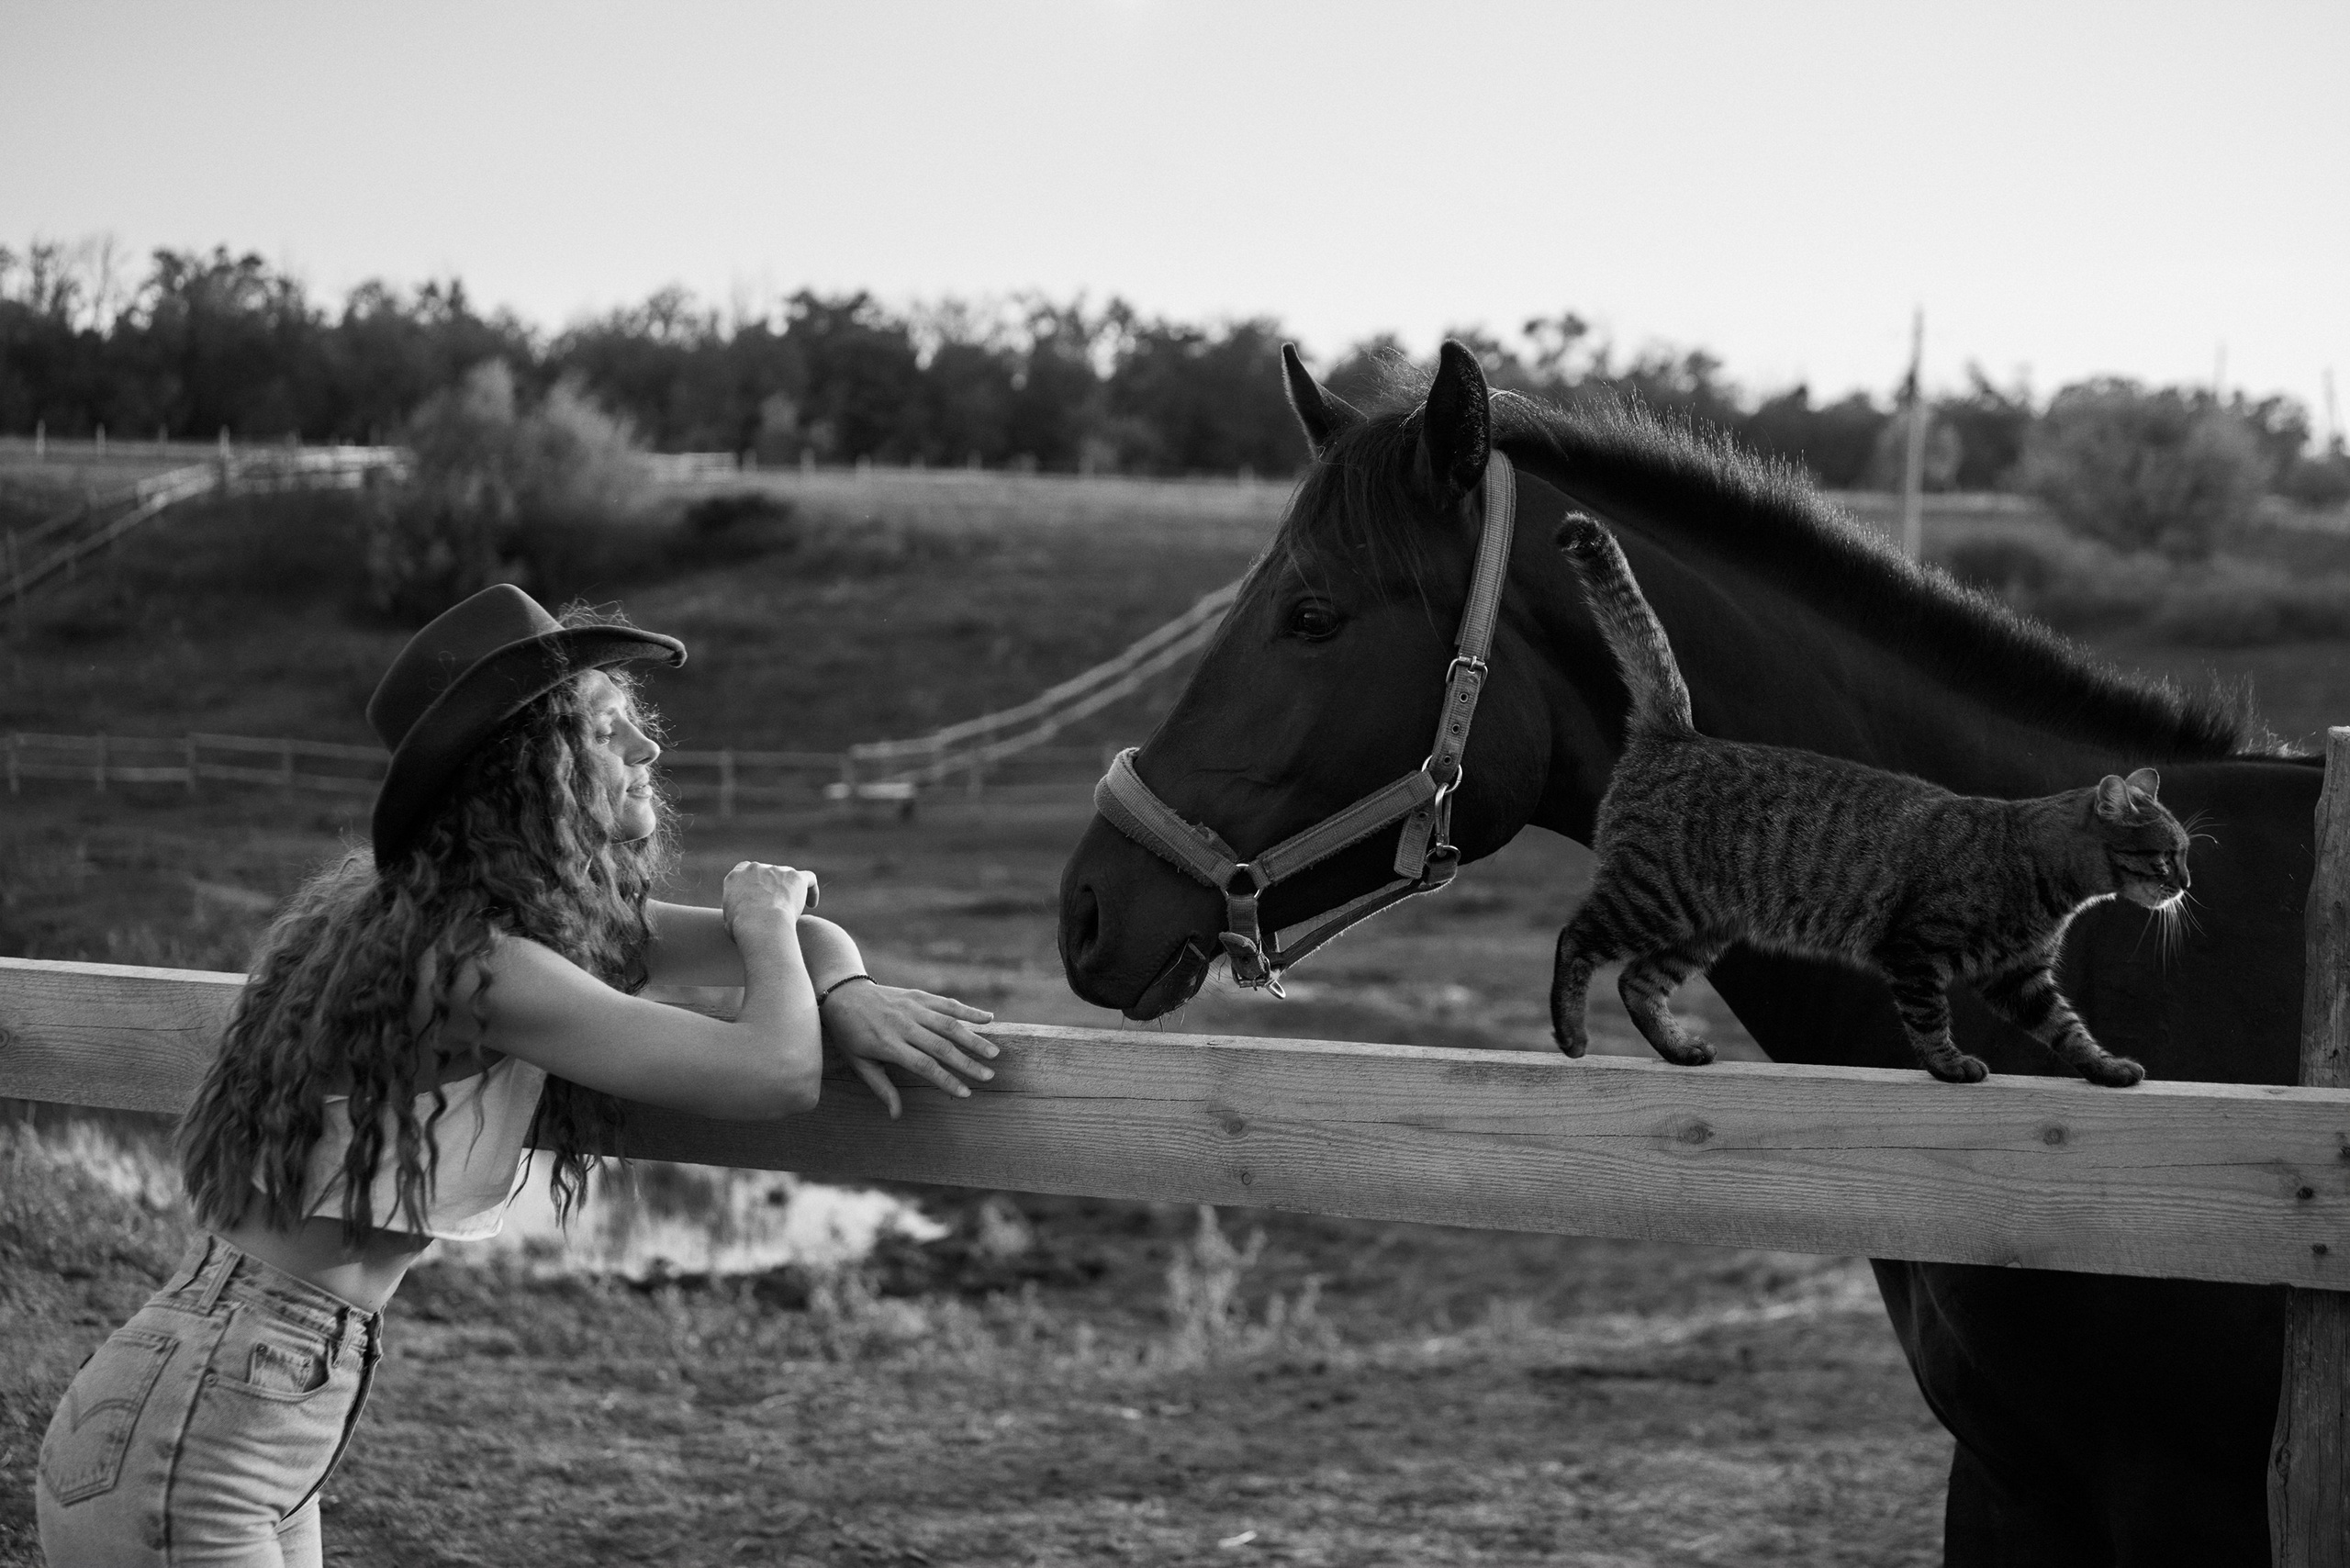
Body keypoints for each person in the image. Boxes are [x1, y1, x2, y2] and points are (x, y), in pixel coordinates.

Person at [35, 584, 998, 1566]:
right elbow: (776, 1075)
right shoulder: (479, 963)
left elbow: (818, 936)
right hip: (207, 1421)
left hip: (241, 1397)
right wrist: (758, 918)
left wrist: (847, 988)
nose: (649, 752)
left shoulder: (505, 927)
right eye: (612, 730)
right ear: (530, 764)